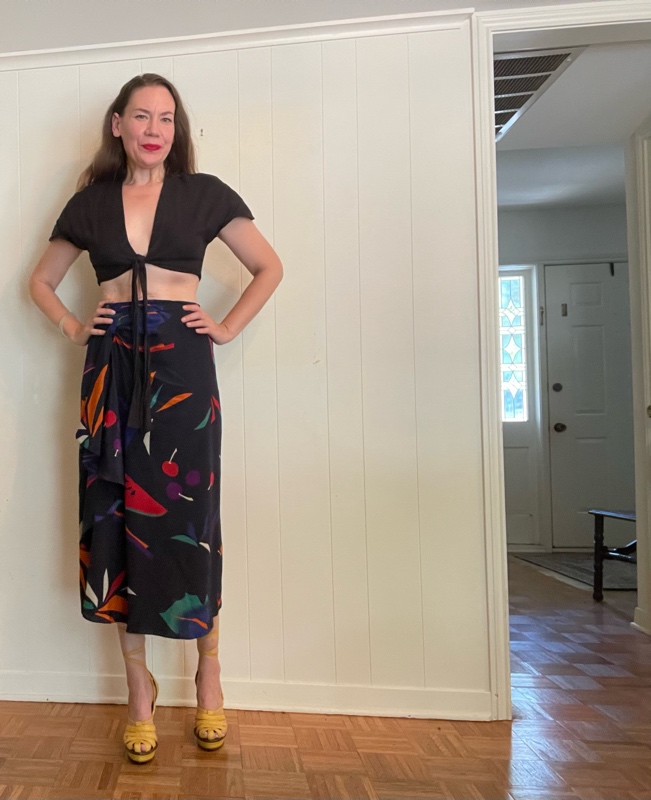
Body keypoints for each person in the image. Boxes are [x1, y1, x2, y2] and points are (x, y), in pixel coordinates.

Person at [28, 73, 283, 764]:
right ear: (117, 124)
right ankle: (137, 688)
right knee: (115, 515)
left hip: (182, 369)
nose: (154, 128)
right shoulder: (89, 204)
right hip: (110, 366)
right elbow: (39, 281)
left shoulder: (206, 195)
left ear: (177, 129)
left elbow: (268, 266)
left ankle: (208, 674)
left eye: (166, 118)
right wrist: (75, 327)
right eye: (141, 115)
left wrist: (225, 326)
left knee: (189, 516)